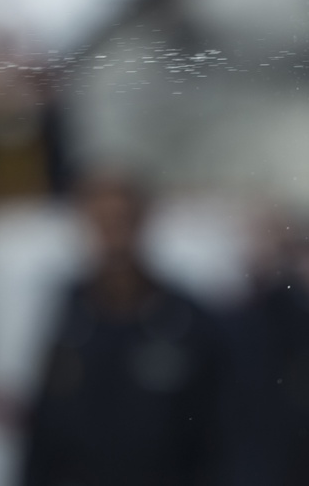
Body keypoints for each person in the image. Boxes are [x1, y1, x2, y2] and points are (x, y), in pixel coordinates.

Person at [19, 167, 238, 486]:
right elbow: (41, 435)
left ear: (144, 220)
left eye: (123, 219)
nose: (113, 233)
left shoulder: (188, 322)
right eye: (102, 220)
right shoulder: (61, 318)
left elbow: (224, 434)